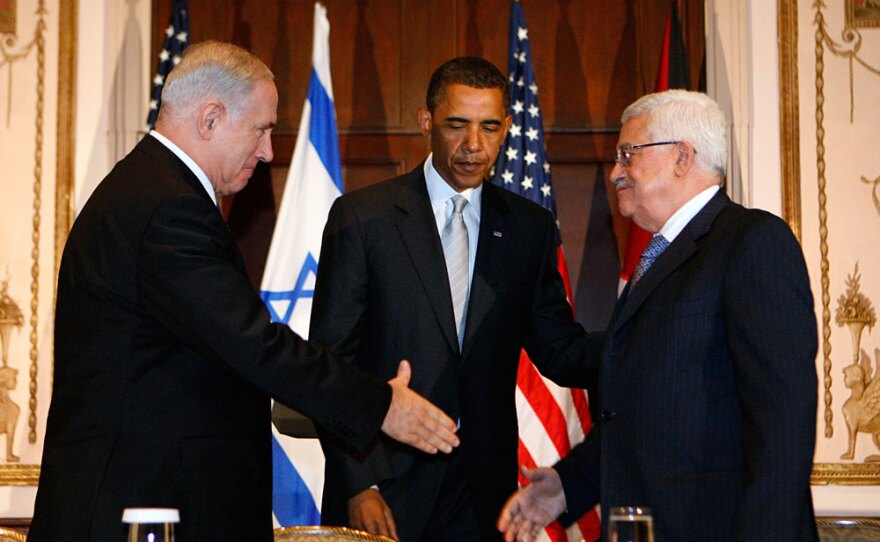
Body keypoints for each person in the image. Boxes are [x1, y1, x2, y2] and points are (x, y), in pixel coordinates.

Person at [28, 41, 459, 542]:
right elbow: (255, 345)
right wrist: (380, 404)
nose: (269, 151)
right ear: (210, 118)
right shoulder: (167, 208)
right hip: (141, 510)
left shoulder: (150, 190)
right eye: (261, 129)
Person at [497, 89, 819, 542]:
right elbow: (645, 410)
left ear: (682, 157)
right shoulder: (660, 259)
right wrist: (569, 484)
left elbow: (782, 419)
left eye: (628, 154)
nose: (615, 173)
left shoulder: (750, 242)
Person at [311, 56, 595, 542]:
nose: (473, 145)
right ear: (426, 122)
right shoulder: (364, 219)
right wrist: (360, 484)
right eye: (456, 125)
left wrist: (642, 344)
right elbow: (330, 364)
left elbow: (559, 347)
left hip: (484, 499)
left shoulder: (528, 229)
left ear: (507, 128)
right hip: (385, 491)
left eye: (489, 127)